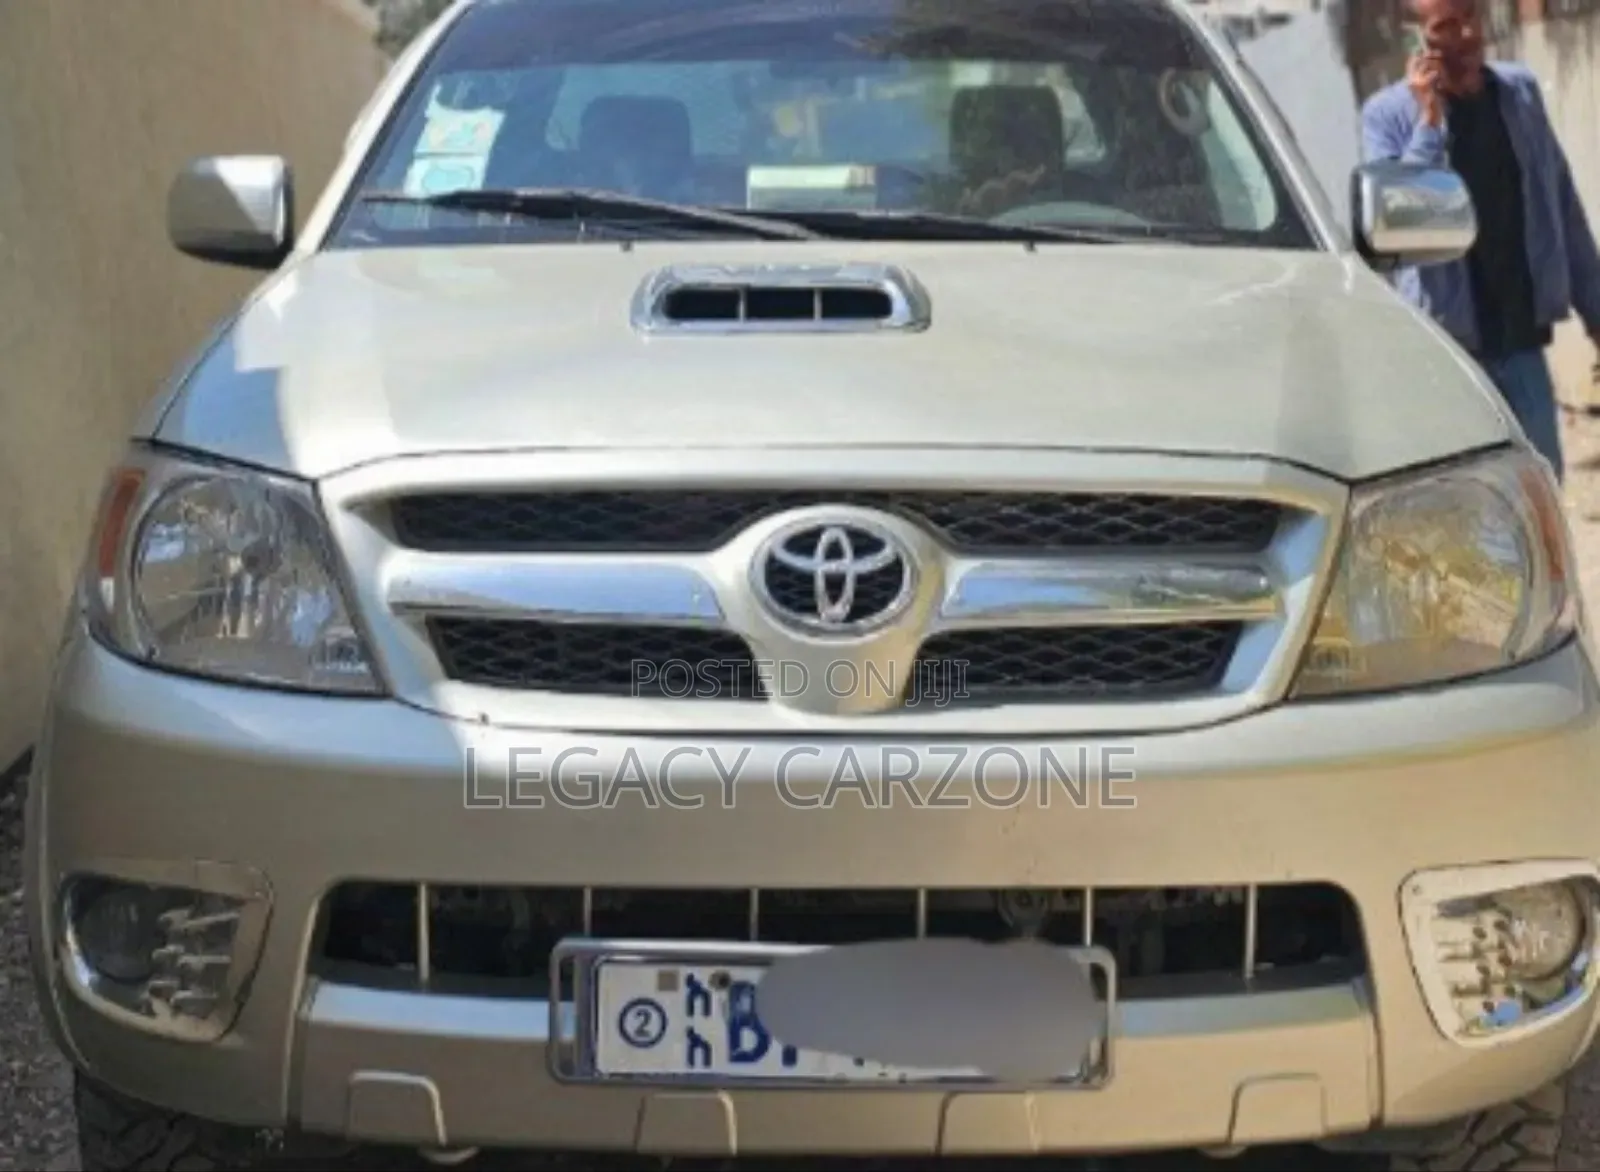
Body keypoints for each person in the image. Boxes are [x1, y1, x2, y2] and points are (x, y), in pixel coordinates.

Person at [1360, 0, 1600, 482]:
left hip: (1520, 341)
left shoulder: (1519, 94)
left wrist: (1596, 313)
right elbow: (1399, 224)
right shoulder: (1388, 117)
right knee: (1470, 501)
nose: (1467, 34)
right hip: (1450, 355)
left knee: (1542, 490)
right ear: (1416, 42)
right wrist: (1428, 124)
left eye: (1471, 16)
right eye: (1445, 26)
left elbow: (1562, 203)